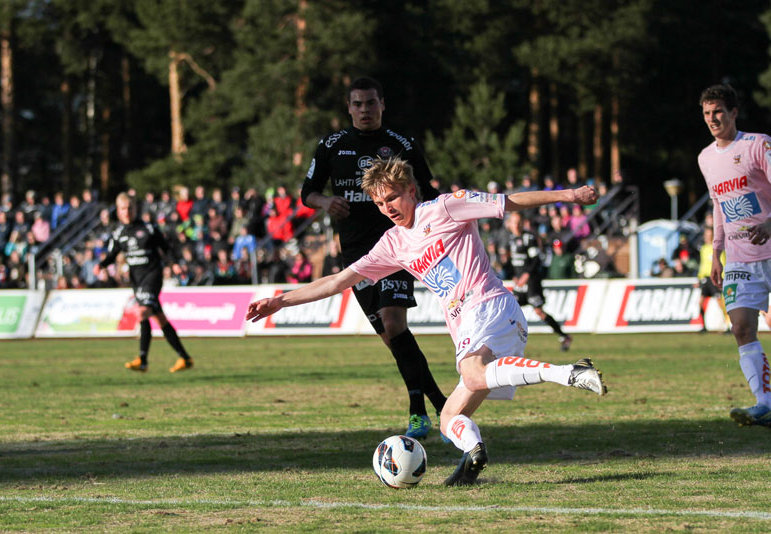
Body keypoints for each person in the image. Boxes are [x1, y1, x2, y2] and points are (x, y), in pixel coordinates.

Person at [247, 157, 606, 486]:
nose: (388, 208)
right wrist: (280, 301)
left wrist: (571, 194)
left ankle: (569, 371)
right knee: (450, 420)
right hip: (475, 324)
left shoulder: (446, 207)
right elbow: (338, 281)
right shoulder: (393, 244)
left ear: (411, 190)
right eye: (380, 203)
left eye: (392, 198)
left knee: (472, 375)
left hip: (489, 306)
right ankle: (473, 460)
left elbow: (507, 202)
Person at [300, 76, 447, 438]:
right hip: (356, 253)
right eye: (357, 104)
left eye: (370, 103)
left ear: (382, 104)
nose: (364, 110)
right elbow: (307, 192)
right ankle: (442, 405)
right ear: (349, 108)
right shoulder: (331, 145)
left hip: (398, 246)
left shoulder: (401, 144)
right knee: (390, 337)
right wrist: (326, 201)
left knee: (394, 324)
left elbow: (428, 192)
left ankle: (419, 413)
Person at [698, 83, 771, 427]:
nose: (712, 119)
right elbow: (718, 205)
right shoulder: (705, 158)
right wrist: (716, 252)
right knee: (741, 327)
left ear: (733, 113)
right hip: (740, 259)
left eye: (718, 112)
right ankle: (765, 402)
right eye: (707, 113)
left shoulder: (758, 145)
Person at [95, 193, 194, 373]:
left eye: (130, 208)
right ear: (118, 211)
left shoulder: (149, 228)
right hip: (136, 280)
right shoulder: (119, 233)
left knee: (141, 312)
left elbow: (166, 249)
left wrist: (174, 265)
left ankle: (142, 359)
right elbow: (112, 254)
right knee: (160, 319)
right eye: (123, 209)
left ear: (136, 209)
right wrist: (101, 265)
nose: (127, 212)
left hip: (152, 276)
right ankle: (185, 358)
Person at [507, 211, 574, 351]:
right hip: (520, 282)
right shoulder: (511, 239)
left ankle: (564, 336)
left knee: (538, 311)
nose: (516, 225)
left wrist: (526, 275)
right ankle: (508, 342)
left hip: (531, 281)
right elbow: (515, 261)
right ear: (510, 224)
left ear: (523, 222)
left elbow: (536, 260)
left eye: (519, 222)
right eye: (514, 222)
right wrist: (515, 275)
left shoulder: (528, 238)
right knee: (509, 309)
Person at [695, 226, 730, 333]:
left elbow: (723, 262)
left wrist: (723, 276)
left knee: (721, 302)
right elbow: (703, 264)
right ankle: (703, 326)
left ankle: (728, 326)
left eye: (708, 234)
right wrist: (699, 278)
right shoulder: (704, 249)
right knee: (700, 302)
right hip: (706, 278)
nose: (706, 236)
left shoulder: (719, 248)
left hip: (716, 277)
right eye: (705, 235)